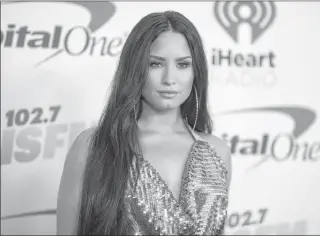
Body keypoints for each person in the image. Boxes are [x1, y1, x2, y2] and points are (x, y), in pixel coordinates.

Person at [57, 10, 232, 235]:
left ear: (196, 71)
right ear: (135, 69)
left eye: (183, 65)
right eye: (156, 64)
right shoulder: (93, 146)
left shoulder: (218, 151)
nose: (170, 79)